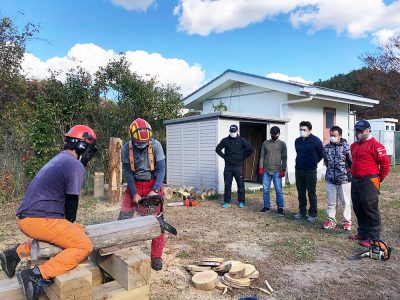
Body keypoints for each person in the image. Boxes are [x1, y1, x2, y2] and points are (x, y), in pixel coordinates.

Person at [0, 125, 98, 300]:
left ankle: (14, 254)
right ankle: (37, 276)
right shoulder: (74, 165)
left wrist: (72, 227)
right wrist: (71, 224)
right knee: (83, 246)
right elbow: (72, 201)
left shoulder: (60, 159)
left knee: (75, 232)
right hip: (37, 219)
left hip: (29, 218)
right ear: (84, 146)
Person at [118, 118, 166, 270]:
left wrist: (155, 190)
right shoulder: (126, 148)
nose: (142, 145)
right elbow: (127, 172)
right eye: (139, 143)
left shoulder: (156, 145)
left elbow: (161, 170)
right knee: (123, 217)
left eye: (145, 142)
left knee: (157, 222)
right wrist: (133, 193)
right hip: (135, 184)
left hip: (152, 183)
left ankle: (156, 256)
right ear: (132, 138)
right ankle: (120, 250)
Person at [349, 120, 390, 247]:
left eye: (361, 131)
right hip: (355, 179)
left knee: (370, 208)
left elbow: (385, 165)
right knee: (358, 207)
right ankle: (362, 232)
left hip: (369, 180)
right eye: (357, 131)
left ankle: (373, 238)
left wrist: (379, 179)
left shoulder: (376, 146)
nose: (358, 133)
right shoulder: (354, 145)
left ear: (368, 130)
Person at [216, 124, 253, 208]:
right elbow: (217, 149)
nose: (232, 133)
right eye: (231, 132)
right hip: (228, 167)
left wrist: (243, 157)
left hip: (238, 166)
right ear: (229, 131)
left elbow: (250, 149)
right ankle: (227, 202)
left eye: (234, 132)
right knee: (227, 185)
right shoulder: (225, 140)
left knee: (240, 185)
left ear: (237, 131)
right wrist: (224, 156)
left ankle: (241, 202)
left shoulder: (242, 140)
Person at [322, 126, 352, 230]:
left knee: (346, 202)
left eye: (334, 135)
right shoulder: (326, 148)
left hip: (344, 179)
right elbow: (326, 161)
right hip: (330, 179)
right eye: (330, 135)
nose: (332, 137)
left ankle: (347, 222)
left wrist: (346, 173)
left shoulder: (346, 147)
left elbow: (351, 162)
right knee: (331, 203)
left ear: (340, 135)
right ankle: (331, 221)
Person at [293, 121, 324, 223]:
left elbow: (321, 154)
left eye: (304, 130)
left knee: (311, 193)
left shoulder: (316, 141)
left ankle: (313, 214)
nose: (302, 131)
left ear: (309, 130)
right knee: (301, 192)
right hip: (299, 170)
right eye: (301, 129)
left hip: (310, 171)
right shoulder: (297, 141)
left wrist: (313, 162)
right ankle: (302, 212)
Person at [258, 126, 287, 216]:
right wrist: (261, 167)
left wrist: (283, 169)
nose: (273, 135)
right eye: (272, 134)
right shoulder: (265, 143)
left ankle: (280, 208)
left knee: (279, 190)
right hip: (266, 170)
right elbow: (262, 156)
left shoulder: (282, 144)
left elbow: (284, 158)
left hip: (277, 171)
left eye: (275, 134)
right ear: (270, 134)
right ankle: (267, 207)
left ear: (279, 134)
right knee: (265, 190)